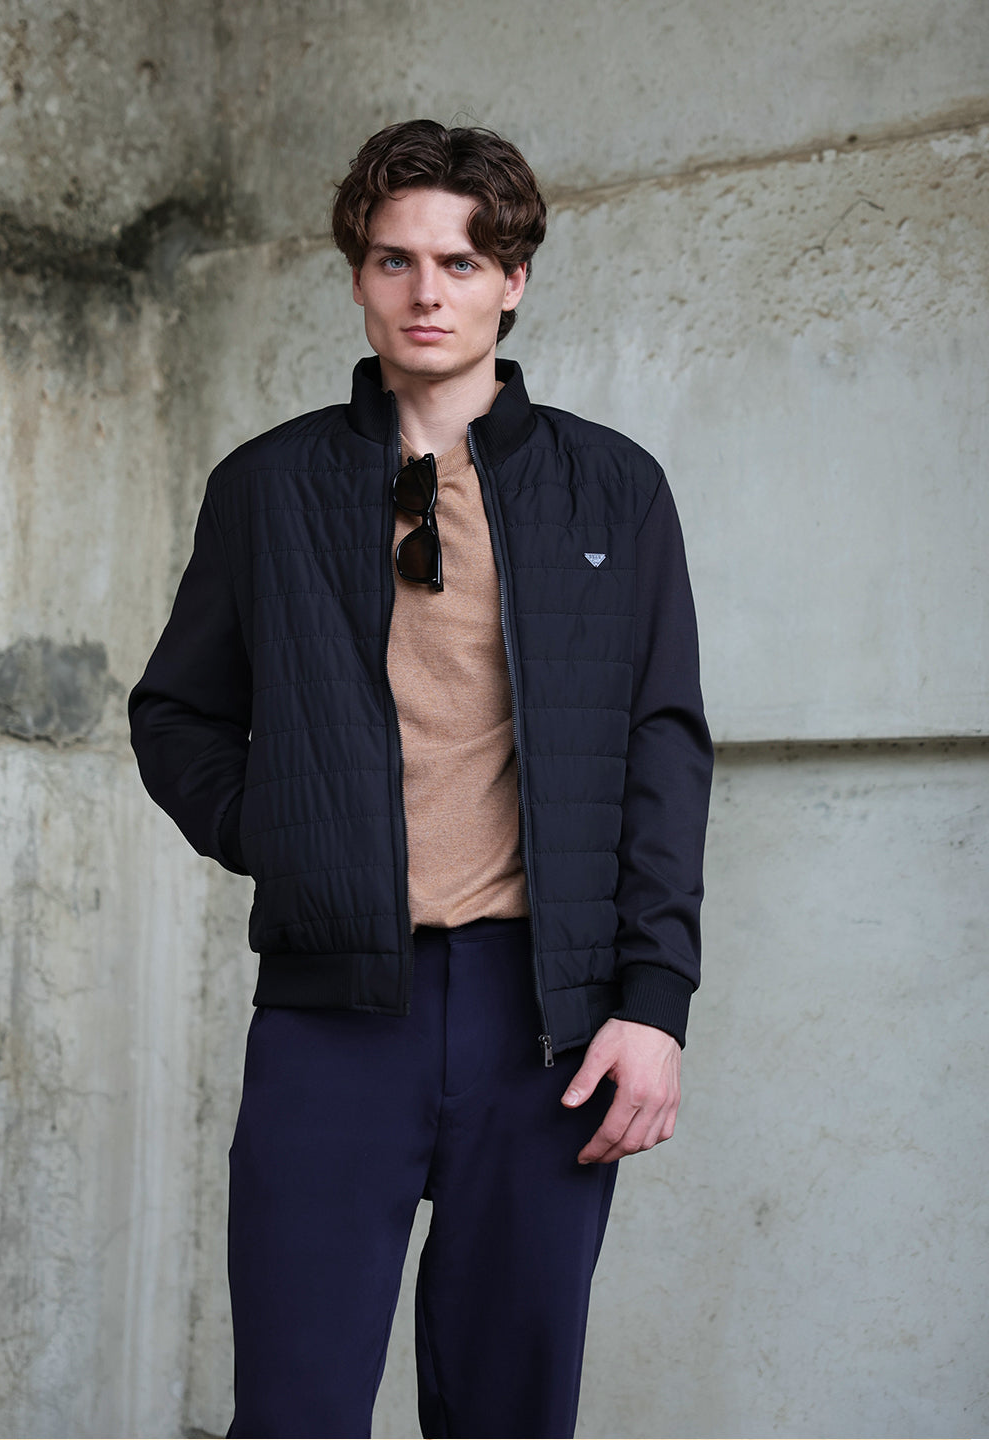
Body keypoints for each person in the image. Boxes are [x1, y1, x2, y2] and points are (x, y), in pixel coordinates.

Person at [129, 118, 712, 1440]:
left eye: (461, 261)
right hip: (333, 1016)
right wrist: (281, 831)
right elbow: (176, 712)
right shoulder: (267, 487)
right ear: (357, 275)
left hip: (545, 1024)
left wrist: (655, 1004)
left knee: (509, 1412)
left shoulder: (612, 490)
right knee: (296, 1413)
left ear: (514, 279)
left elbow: (662, 748)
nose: (427, 292)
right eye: (396, 260)